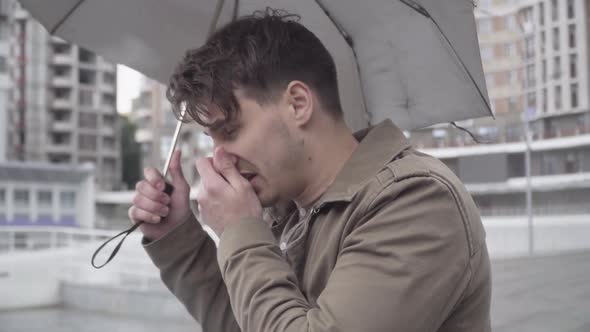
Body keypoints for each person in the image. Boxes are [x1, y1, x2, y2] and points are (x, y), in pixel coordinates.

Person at [128, 8, 491, 332]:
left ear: (298, 104)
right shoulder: (285, 215)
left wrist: (240, 230)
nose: (218, 159)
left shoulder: (417, 203)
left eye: (230, 131)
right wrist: (178, 236)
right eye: (211, 138)